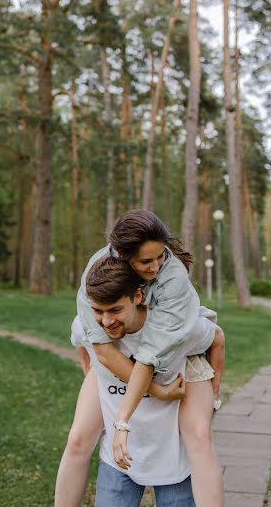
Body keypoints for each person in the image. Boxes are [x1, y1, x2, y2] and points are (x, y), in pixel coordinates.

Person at [55, 210, 225, 507]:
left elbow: (151, 356)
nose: (157, 266)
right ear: (122, 255)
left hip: (176, 348)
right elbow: (96, 345)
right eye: (147, 261)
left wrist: (213, 392)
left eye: (161, 256)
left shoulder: (172, 277)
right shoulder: (97, 274)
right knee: (78, 438)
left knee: (199, 437)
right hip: (123, 358)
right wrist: (102, 378)